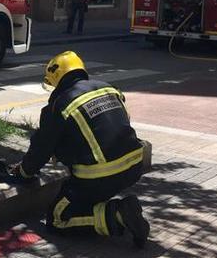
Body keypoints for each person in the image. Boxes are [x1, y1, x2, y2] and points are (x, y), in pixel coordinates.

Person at [10, 51, 150, 247]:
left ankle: (117, 214)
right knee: (91, 192)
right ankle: (111, 208)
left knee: (58, 218)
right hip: (135, 165)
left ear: (56, 80)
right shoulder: (108, 88)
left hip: (99, 176)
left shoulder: (59, 105)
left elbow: (41, 149)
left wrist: (23, 173)